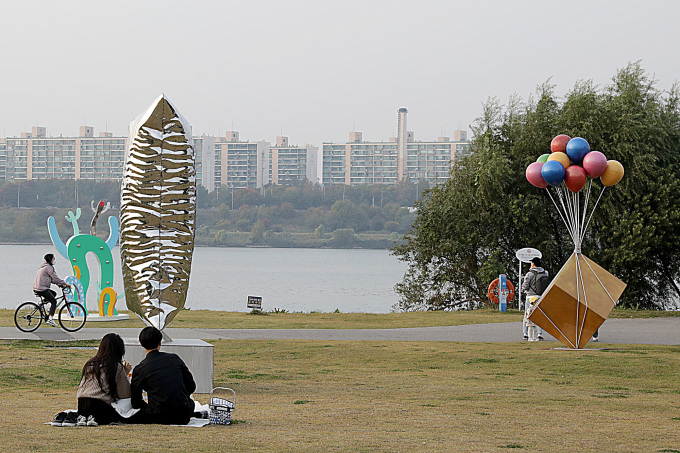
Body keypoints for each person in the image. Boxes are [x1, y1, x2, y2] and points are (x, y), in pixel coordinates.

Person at [130, 326, 196, 424]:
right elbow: (191, 386)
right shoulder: (174, 359)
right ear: (160, 342)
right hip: (184, 413)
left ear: (141, 344)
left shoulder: (140, 369)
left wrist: (148, 407)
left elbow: (135, 401)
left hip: (159, 415)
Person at [74, 333, 132, 426]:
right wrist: (125, 373)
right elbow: (125, 394)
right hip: (99, 405)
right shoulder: (116, 367)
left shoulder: (90, 363)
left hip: (81, 404)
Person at [32, 253, 68, 327]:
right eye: (53, 259)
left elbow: (50, 279)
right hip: (41, 289)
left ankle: (42, 304)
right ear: (50, 260)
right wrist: (65, 283)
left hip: (38, 288)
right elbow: (55, 278)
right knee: (54, 301)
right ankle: (50, 319)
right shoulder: (49, 268)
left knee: (54, 294)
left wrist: (58, 284)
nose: (54, 260)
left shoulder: (44, 266)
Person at [522, 257, 548, 341]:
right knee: (539, 315)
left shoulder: (529, 274)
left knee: (527, 314)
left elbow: (525, 286)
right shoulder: (545, 273)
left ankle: (526, 333)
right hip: (540, 296)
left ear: (533, 264)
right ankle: (539, 334)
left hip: (530, 297)